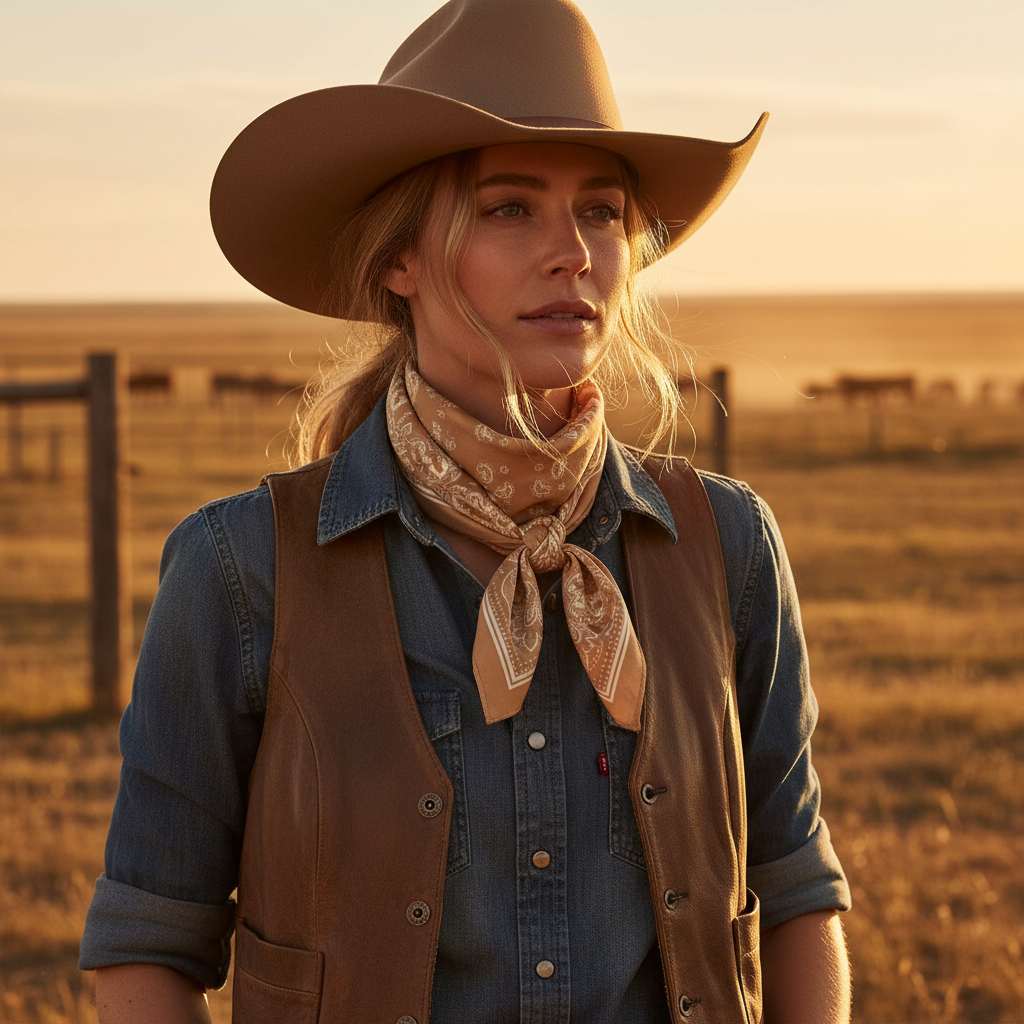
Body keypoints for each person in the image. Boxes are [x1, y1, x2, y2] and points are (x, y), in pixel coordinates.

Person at [80, 0, 852, 1021]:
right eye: (508, 208)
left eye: (601, 212)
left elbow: (797, 892)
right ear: (399, 259)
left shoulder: (727, 544)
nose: (572, 252)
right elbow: (147, 942)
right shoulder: (242, 567)